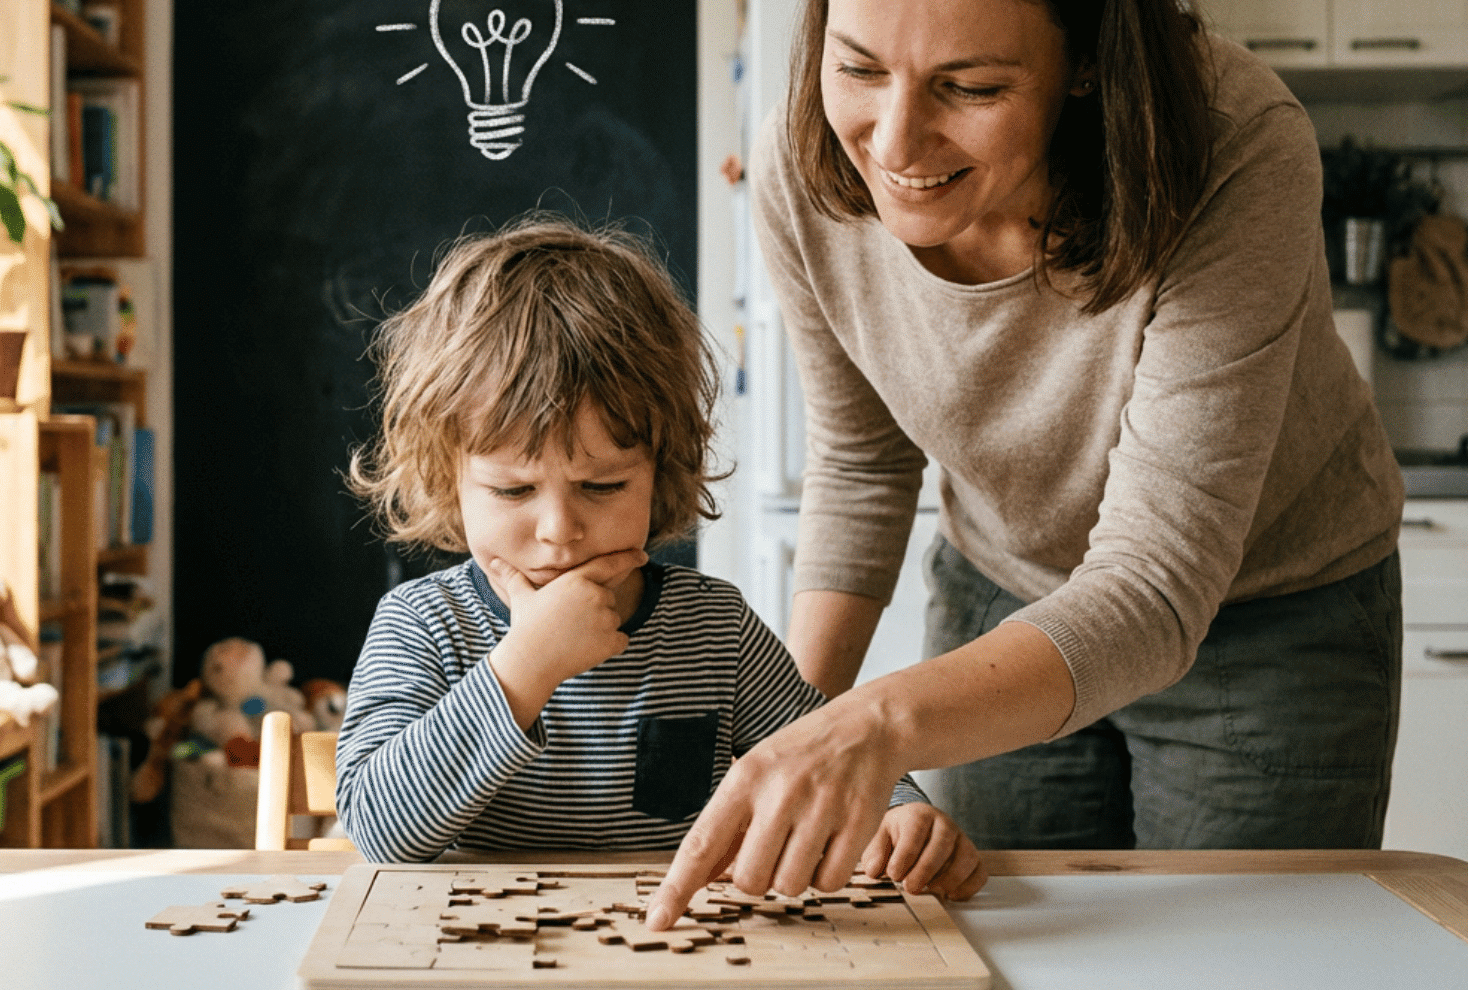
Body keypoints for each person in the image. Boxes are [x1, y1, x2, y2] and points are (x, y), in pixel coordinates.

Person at [646, 0, 1404, 929]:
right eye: (858, 66)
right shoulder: (805, 166)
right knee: (1001, 942)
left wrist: (866, 730)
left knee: (1233, 953)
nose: (894, 146)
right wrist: (783, 740)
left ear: (1087, 62)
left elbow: (1152, 583)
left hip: (1267, 613)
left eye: (970, 87)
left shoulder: (1232, 141)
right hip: (1001, 590)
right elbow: (863, 468)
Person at [334, 216, 987, 900]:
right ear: (449, 479)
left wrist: (899, 816)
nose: (559, 529)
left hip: (671, 947)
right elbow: (380, 831)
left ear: (660, 469)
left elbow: (825, 752)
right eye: (513, 489)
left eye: (603, 485)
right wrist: (524, 666)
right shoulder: (423, 624)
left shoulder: (714, 628)